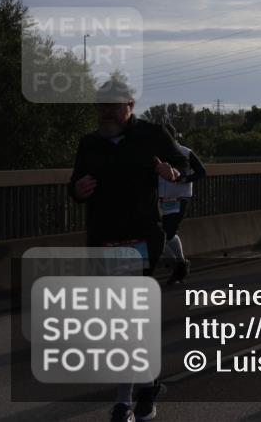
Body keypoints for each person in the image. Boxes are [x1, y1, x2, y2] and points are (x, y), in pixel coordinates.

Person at [69, 79, 188, 422]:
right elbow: (74, 186)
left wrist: (174, 172)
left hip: (141, 238)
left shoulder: (152, 135)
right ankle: (148, 384)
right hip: (103, 237)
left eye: (113, 105)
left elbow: (190, 168)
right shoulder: (89, 143)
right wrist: (78, 189)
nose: (106, 112)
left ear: (130, 105)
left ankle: (123, 402)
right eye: (100, 106)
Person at [158, 124, 207, 286]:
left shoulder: (185, 152)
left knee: (167, 233)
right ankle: (180, 264)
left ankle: (178, 265)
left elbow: (201, 172)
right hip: (161, 199)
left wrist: (185, 179)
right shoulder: (156, 154)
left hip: (179, 199)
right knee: (161, 234)